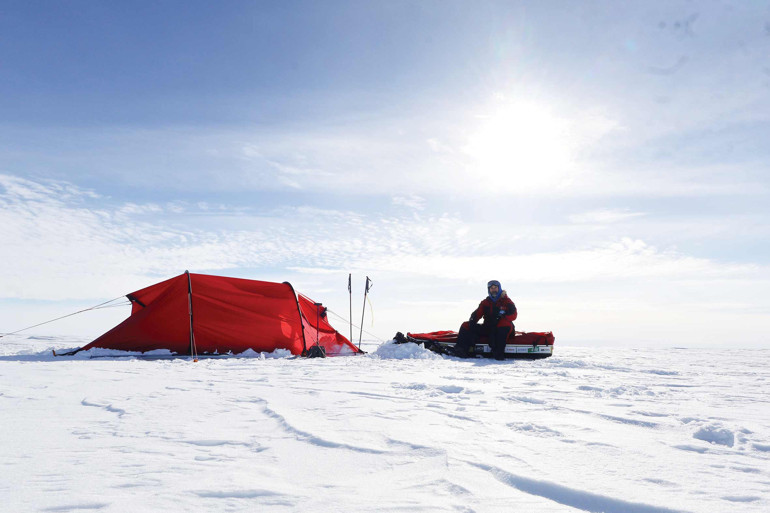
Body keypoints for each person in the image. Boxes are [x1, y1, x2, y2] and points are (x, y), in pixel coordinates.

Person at [452, 280, 517, 360]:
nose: (493, 290)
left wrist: (501, 317)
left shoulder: (507, 301)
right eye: (491, 288)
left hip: (502, 329)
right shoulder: (486, 302)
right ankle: (461, 350)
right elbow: (477, 314)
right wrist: (472, 321)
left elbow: (514, 315)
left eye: (495, 288)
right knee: (465, 325)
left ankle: (498, 352)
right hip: (488, 327)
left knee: (504, 324)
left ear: (499, 288)